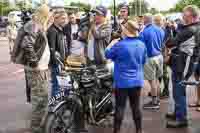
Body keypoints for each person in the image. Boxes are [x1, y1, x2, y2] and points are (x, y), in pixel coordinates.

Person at [12, 4, 50, 133]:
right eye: (48, 13)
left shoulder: (35, 24)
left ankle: (39, 127)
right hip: (37, 70)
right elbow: (27, 44)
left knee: (42, 100)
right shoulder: (34, 25)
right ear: (44, 14)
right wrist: (35, 64)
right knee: (39, 101)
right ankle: (36, 129)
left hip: (40, 69)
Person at [105, 20, 146, 133]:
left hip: (122, 81)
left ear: (125, 31)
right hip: (136, 80)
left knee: (120, 107)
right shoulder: (142, 44)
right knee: (136, 106)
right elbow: (143, 61)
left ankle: (117, 131)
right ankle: (139, 130)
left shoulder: (119, 45)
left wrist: (111, 44)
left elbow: (107, 54)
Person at [165, 5, 200, 128]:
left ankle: (182, 119)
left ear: (191, 16)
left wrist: (169, 30)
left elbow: (170, 43)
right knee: (178, 89)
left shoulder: (190, 30)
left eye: (184, 15)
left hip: (184, 64)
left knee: (179, 90)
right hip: (184, 62)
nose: (182, 17)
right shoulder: (194, 27)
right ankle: (178, 113)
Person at [140, 13, 165, 110]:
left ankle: (154, 102)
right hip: (159, 56)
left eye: (143, 19)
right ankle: (157, 99)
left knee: (152, 81)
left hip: (150, 58)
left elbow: (141, 46)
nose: (142, 20)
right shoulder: (160, 29)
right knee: (157, 79)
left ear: (146, 20)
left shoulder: (145, 31)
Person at [47, 8, 68, 97]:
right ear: (56, 18)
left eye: (65, 18)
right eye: (63, 18)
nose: (65, 20)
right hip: (56, 63)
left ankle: (59, 105)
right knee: (56, 85)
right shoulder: (52, 31)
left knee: (63, 85)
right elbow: (52, 49)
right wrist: (57, 63)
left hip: (61, 62)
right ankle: (54, 107)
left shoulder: (59, 29)